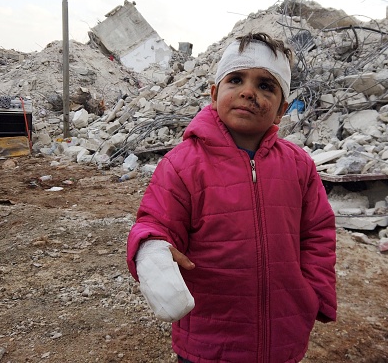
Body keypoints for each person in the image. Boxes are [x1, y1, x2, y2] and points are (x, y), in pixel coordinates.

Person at [126, 32, 337, 363]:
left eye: (266, 85)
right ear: (214, 94)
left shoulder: (299, 166)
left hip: (283, 337)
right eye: (236, 79)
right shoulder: (183, 164)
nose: (249, 91)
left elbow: (318, 233)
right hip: (208, 342)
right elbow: (155, 221)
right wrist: (151, 250)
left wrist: (312, 294)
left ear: (282, 110)